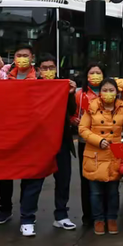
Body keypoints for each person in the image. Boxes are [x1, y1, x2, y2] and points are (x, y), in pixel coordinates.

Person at [0, 44, 47, 237]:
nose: (22, 58)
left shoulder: (42, 79)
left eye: (26, 55)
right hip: (8, 134)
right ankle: (5, 210)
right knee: (5, 173)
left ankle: (27, 218)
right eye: (19, 55)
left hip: (33, 137)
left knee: (32, 176)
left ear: (32, 58)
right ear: (13, 58)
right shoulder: (3, 77)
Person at [79, 77, 123, 236]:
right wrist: (99, 140)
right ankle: (98, 220)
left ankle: (111, 219)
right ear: (100, 92)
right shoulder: (91, 107)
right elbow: (83, 129)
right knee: (95, 192)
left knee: (113, 192)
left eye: (111, 90)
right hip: (95, 152)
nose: (108, 93)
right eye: (105, 90)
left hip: (115, 152)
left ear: (117, 92)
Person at [38, 54, 77, 231]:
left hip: (61, 140)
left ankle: (61, 215)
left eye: (51, 67)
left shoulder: (63, 85)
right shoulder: (31, 86)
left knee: (63, 179)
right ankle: (27, 217)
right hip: (38, 142)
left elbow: (71, 111)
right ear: (38, 69)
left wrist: (71, 93)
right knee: (33, 179)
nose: (48, 71)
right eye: (44, 68)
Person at [73, 62, 105, 226]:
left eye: (98, 72)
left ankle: (105, 214)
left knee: (107, 177)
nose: (95, 76)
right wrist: (75, 121)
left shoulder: (110, 92)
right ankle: (89, 215)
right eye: (91, 73)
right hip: (87, 141)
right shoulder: (80, 94)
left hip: (106, 142)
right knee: (87, 178)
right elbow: (72, 114)